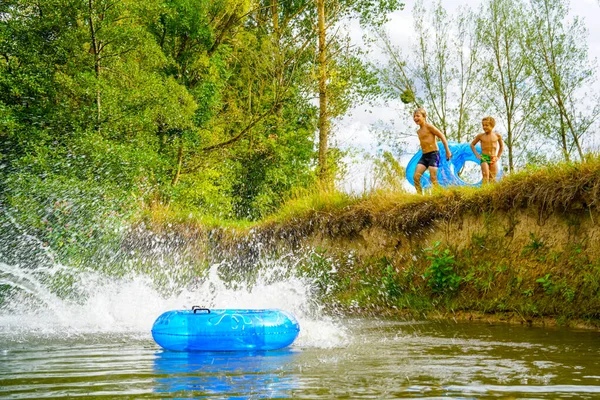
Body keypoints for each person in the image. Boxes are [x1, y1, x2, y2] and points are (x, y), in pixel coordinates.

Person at [412, 108, 452, 194]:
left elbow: (442, 136)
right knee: (416, 177)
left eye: (417, 116)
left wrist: (447, 151)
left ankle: (438, 194)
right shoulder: (418, 131)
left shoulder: (429, 127)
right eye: (414, 116)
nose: (415, 118)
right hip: (424, 156)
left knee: (433, 177)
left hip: (434, 154)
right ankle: (419, 196)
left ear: (424, 117)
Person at [470, 116, 504, 184]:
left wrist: (498, 156)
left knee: (493, 178)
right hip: (484, 157)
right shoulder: (481, 136)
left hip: (493, 158)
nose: (484, 127)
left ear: (492, 126)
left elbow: (501, 146)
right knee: (485, 175)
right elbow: (472, 145)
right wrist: (477, 155)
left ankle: (491, 193)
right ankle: (484, 191)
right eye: (483, 125)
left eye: (486, 125)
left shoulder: (497, 136)